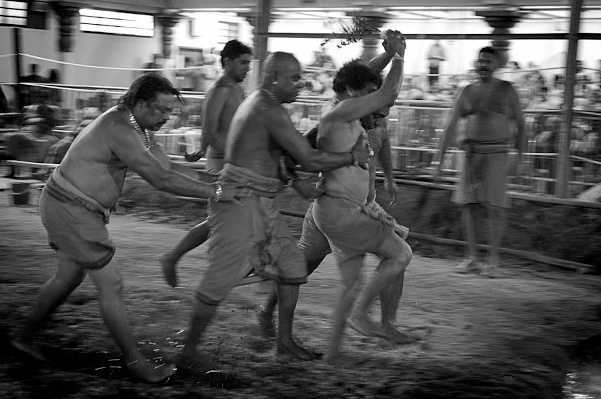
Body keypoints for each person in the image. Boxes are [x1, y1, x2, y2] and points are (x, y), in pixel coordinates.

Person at [10, 73, 245, 383]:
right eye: (161, 110)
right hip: (70, 208)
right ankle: (135, 361)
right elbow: (159, 179)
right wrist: (215, 192)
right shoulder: (119, 127)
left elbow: (169, 167)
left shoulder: (140, 128)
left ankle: (22, 339)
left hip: (71, 206)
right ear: (140, 103)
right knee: (112, 284)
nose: (166, 117)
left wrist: (214, 183)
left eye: (169, 111)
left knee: (67, 277)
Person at [177, 51, 369, 371]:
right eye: (294, 78)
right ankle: (188, 350)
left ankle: (284, 344)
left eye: (301, 77)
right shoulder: (267, 108)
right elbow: (308, 158)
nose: (300, 84)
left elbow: (282, 155)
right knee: (218, 280)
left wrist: (292, 177)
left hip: (258, 201)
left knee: (293, 266)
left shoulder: (263, 103)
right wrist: (351, 157)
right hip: (239, 201)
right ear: (273, 78)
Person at [258, 100, 411, 345]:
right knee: (301, 267)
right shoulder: (339, 125)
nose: (381, 118)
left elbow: (383, 144)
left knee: (395, 252)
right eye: (378, 113)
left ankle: (387, 323)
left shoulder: (378, 123)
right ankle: (267, 313)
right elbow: (295, 156)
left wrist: (390, 178)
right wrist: (296, 182)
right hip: (331, 208)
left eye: (386, 113)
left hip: (362, 207)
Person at [306, 29, 413, 363]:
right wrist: (398, 54)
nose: (376, 101)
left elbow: (366, 78)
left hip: (343, 209)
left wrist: (385, 55)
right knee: (401, 254)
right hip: (341, 211)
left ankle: (334, 352)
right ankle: (360, 316)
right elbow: (387, 91)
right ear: (353, 93)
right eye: (368, 93)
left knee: (352, 283)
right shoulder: (341, 112)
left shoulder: (345, 107)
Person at [159, 40, 253, 287]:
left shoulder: (236, 89)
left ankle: (175, 257)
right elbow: (211, 131)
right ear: (227, 62)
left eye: (249, 63)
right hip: (225, 163)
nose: (247, 68)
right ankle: (210, 269)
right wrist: (232, 158)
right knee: (227, 219)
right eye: (243, 63)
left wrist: (202, 149)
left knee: (224, 220)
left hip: (234, 162)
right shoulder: (220, 90)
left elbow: (222, 129)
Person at [434, 46, 525, 277]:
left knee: (495, 207)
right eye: (480, 60)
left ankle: (493, 260)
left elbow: (522, 125)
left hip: (497, 154)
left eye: (488, 61)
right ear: (476, 64)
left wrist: (521, 157)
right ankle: (472, 258)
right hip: (472, 154)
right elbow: (451, 125)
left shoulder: (508, 90)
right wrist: (439, 160)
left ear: (497, 65)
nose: (483, 64)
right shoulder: (466, 91)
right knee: (469, 205)